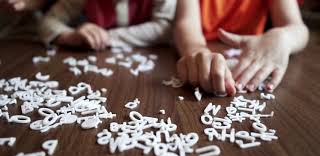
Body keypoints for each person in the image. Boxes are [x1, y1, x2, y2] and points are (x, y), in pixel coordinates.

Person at [174, 0, 309, 96]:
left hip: (251, 57)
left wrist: (283, 37)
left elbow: (299, 29)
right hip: (207, 49)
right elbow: (185, 23)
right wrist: (197, 51)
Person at [38, 0, 177, 50]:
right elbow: (48, 21)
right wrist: (70, 36)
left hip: (156, 59)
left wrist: (106, 37)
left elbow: (165, 28)